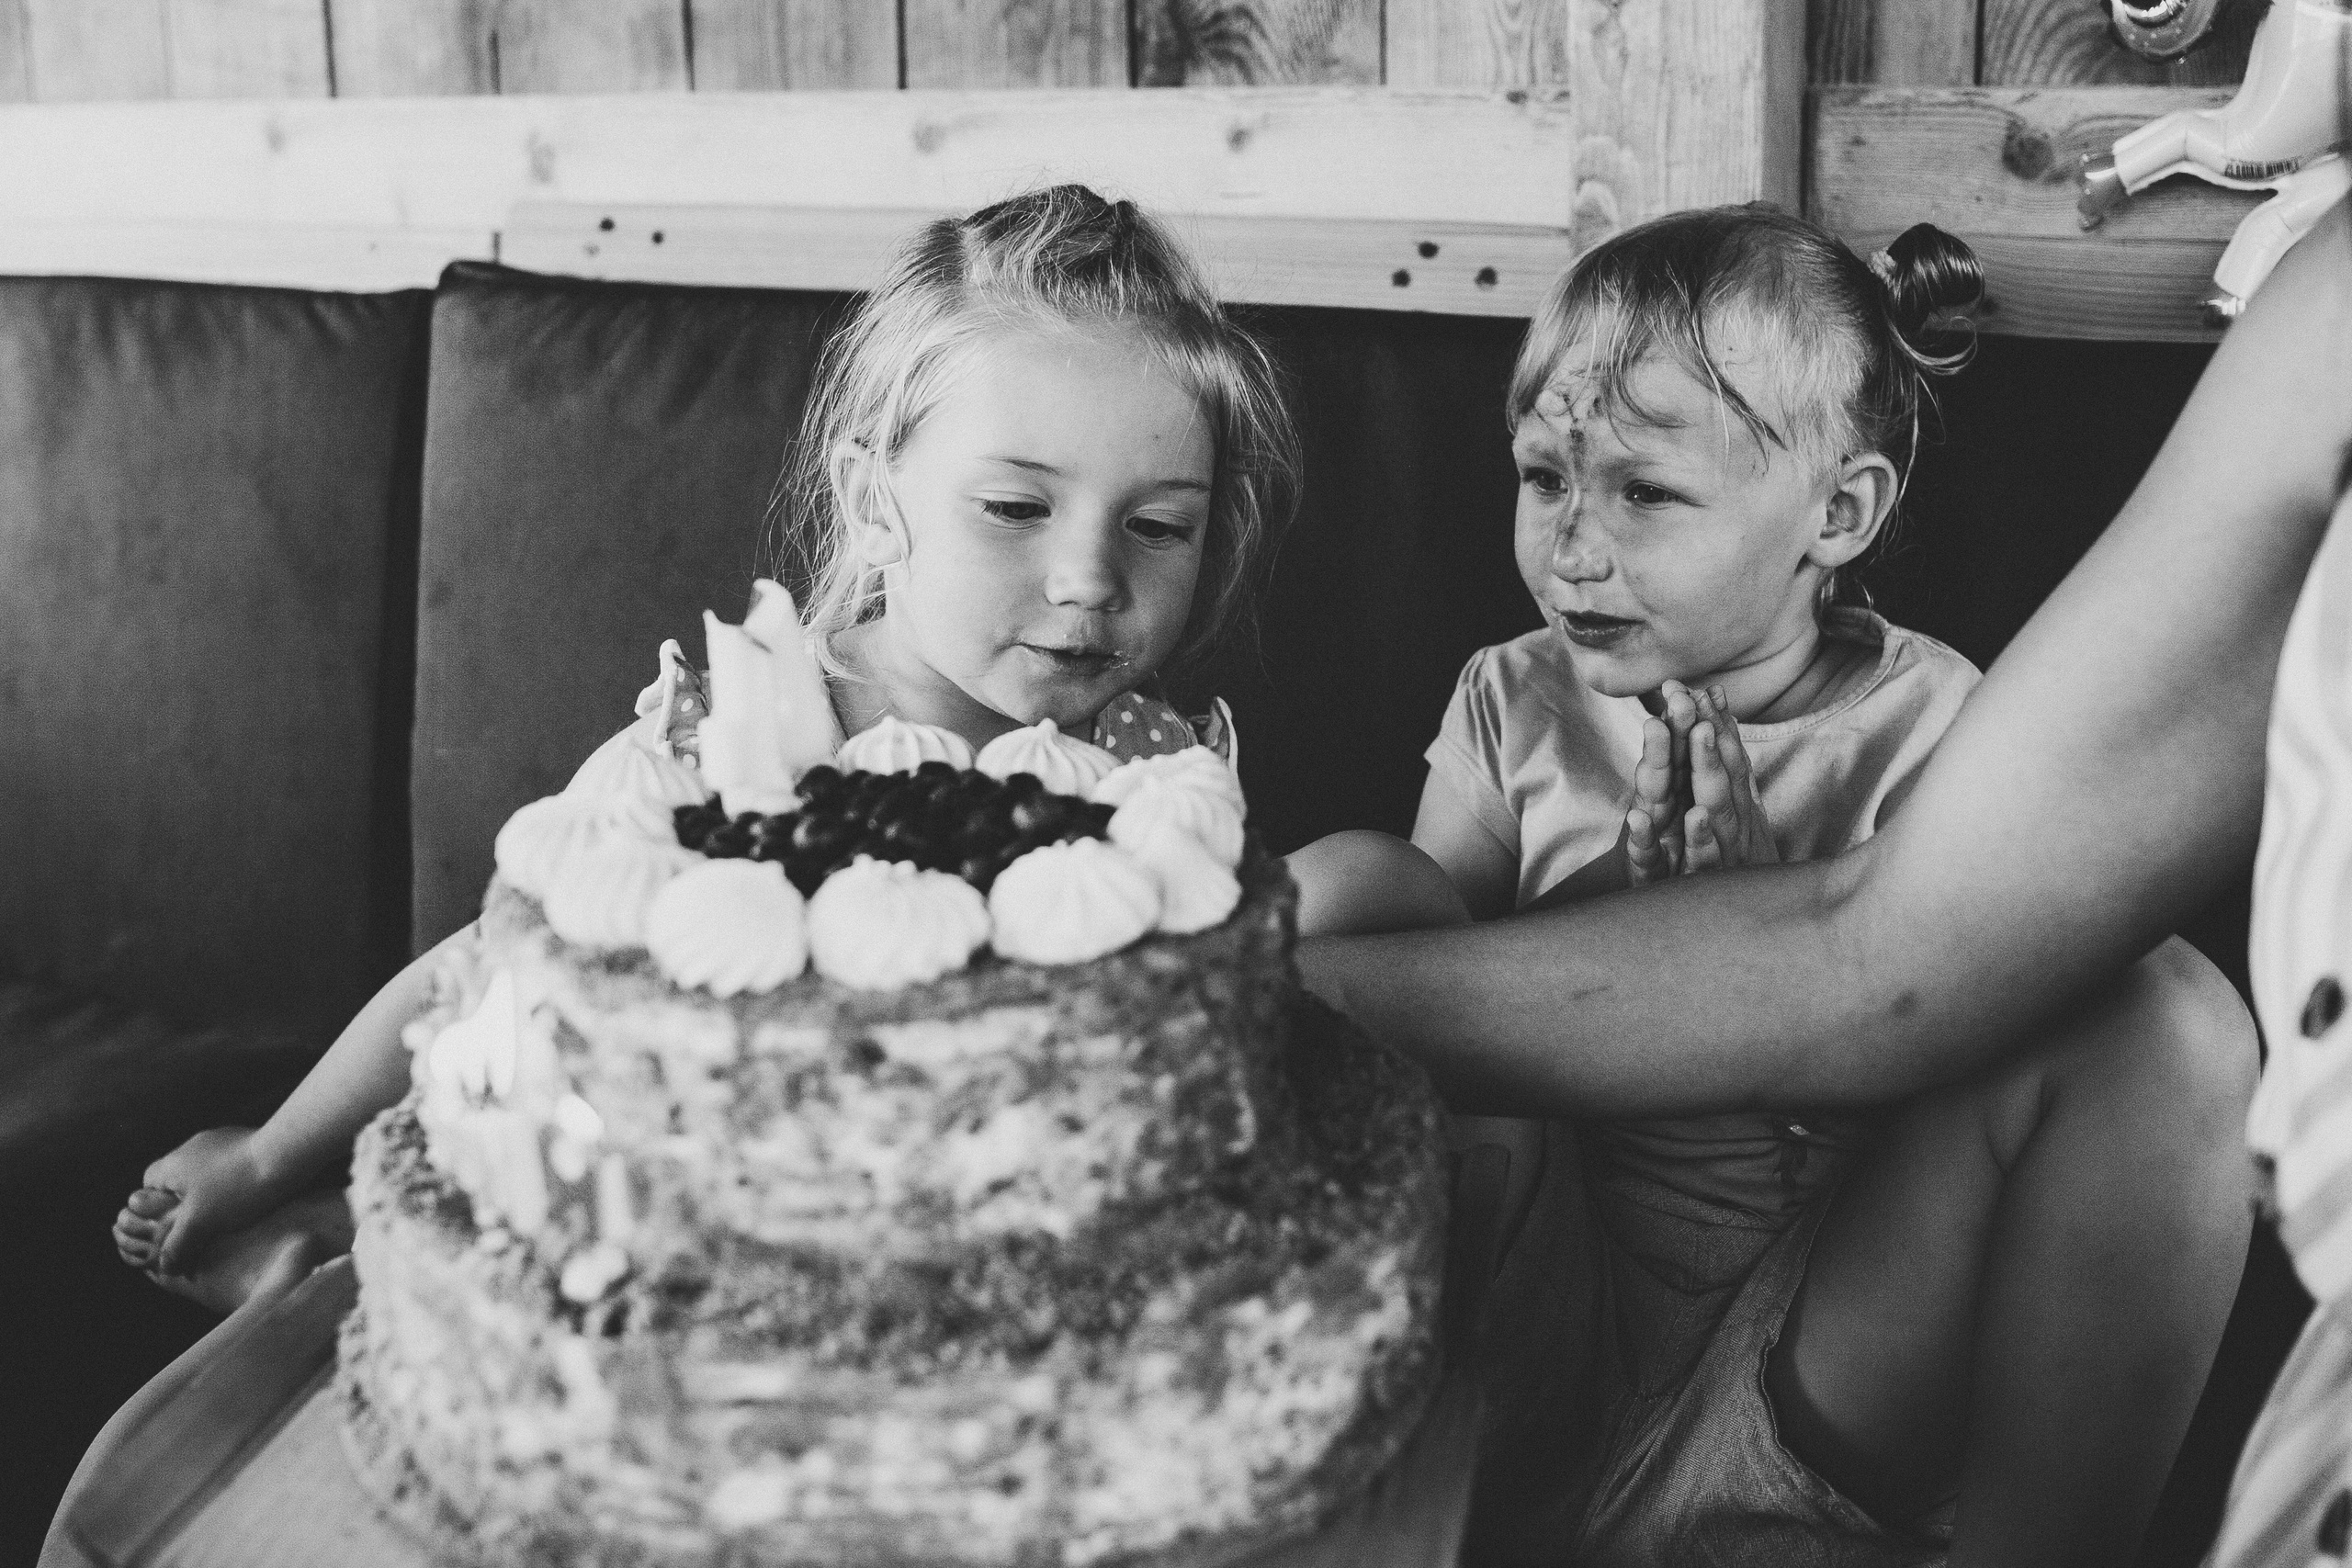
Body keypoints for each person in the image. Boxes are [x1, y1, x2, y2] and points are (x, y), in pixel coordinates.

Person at [1294, 197, 2352, 1567]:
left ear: (1837, 512)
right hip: (1530, 1360)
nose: (1574, 543)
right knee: (1356, 886)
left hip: (1805, 1353)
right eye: (1545, 477)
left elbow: (1936, 1054)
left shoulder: (1934, 723)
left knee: (2153, 1016)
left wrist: (1742, 911)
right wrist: (1632, 901)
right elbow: (1437, 1059)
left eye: (1646, 491)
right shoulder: (1514, 698)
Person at [107, 183, 1301, 1314]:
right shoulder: (751, 720)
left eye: (1158, 526)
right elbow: (494, 964)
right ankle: (302, 1212)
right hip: (642, 1203)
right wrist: (270, 1150)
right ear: (876, 503)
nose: (1092, 579)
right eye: (1016, 507)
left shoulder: (1157, 779)